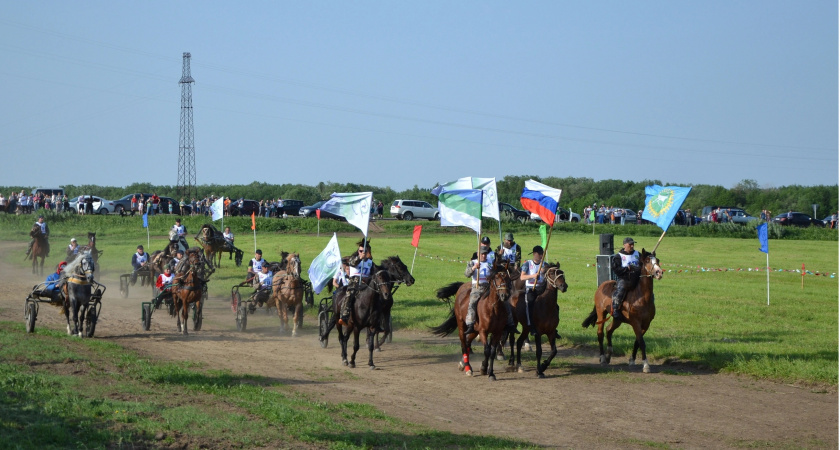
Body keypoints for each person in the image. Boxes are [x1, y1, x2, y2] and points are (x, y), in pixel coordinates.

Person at [339, 241, 373, 326]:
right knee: (349, 294)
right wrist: (359, 258)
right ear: (358, 251)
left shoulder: (370, 262)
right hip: (354, 283)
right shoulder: (353, 258)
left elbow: (373, 272)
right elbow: (352, 263)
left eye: (364, 251)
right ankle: (344, 316)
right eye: (360, 251)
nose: (362, 252)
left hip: (366, 283)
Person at [463, 245, 493, 335]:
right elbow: (466, 274)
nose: (484, 256)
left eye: (485, 254)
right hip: (477, 287)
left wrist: (491, 277)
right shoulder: (473, 262)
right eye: (482, 254)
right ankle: (470, 324)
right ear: (478, 254)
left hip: (489, 287)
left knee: (503, 301)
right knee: (472, 302)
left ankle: (509, 323)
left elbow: (495, 274)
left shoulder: (490, 263)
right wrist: (474, 268)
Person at [610, 237, 641, 320]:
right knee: (621, 288)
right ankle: (616, 308)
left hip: (637, 278)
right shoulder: (619, 256)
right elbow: (616, 269)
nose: (632, 246)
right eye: (630, 244)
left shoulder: (638, 254)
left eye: (633, 244)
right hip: (625, 278)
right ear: (624, 245)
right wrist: (626, 269)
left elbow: (644, 262)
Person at [520, 246, 547, 335]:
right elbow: (522, 277)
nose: (541, 256)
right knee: (530, 304)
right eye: (540, 254)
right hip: (531, 288)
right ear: (535, 254)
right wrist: (533, 276)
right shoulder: (527, 264)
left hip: (541, 288)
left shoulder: (544, 264)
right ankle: (530, 325)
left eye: (542, 254)